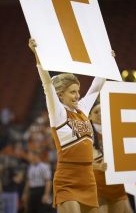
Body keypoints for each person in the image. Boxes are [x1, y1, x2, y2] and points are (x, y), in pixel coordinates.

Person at [28, 38, 107, 213]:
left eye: (78, 91)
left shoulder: (82, 110)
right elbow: (47, 84)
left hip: (88, 179)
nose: (78, 95)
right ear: (60, 95)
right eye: (73, 92)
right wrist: (37, 56)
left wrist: (107, 61)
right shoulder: (58, 113)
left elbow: (95, 88)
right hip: (68, 178)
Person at [89, 104, 134, 213]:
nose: (100, 114)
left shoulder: (114, 129)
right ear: (89, 116)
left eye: (102, 111)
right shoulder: (87, 132)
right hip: (98, 180)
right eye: (96, 112)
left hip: (116, 179)